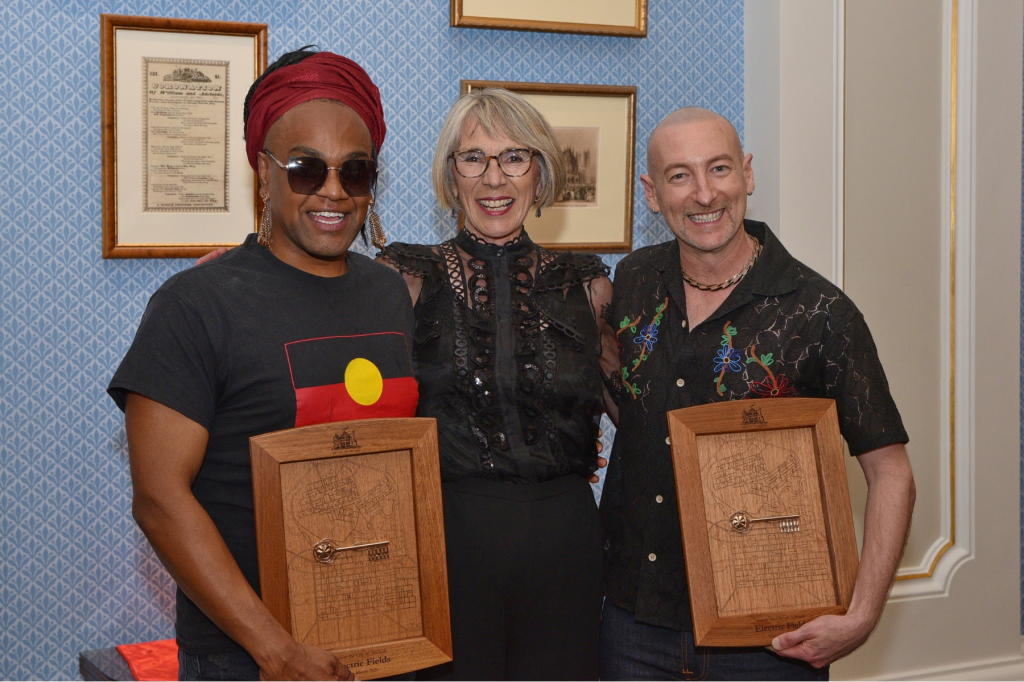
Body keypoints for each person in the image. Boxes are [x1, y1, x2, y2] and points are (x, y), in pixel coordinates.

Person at [108, 49, 418, 681]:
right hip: (245, 657)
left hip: (379, 637)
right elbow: (159, 499)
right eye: (306, 169)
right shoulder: (195, 304)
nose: (333, 191)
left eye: (355, 172)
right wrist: (275, 649)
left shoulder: (389, 294)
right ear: (263, 172)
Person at [599, 107, 916, 681]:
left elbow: (891, 472)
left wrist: (863, 615)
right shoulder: (633, 281)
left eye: (718, 168)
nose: (703, 194)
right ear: (651, 193)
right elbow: (633, 410)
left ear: (747, 174)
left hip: (769, 638)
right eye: (679, 175)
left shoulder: (822, 313)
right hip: (632, 626)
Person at [376, 87, 620, 680]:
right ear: (450, 174)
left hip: (566, 543)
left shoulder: (588, 286)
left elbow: (641, 408)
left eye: (514, 157)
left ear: (540, 173)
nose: (494, 177)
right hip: (450, 541)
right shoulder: (403, 278)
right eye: (473, 157)